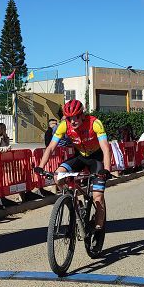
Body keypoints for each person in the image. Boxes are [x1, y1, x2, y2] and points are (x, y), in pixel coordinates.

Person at [35, 99, 112, 235]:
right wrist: (41, 166)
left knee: (98, 197)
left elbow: (106, 148)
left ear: (82, 114)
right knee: (58, 176)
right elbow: (51, 147)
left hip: (96, 158)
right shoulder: (64, 125)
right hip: (80, 157)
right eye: (69, 118)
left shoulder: (95, 123)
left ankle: (99, 227)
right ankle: (76, 204)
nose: (73, 121)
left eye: (76, 117)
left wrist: (106, 169)